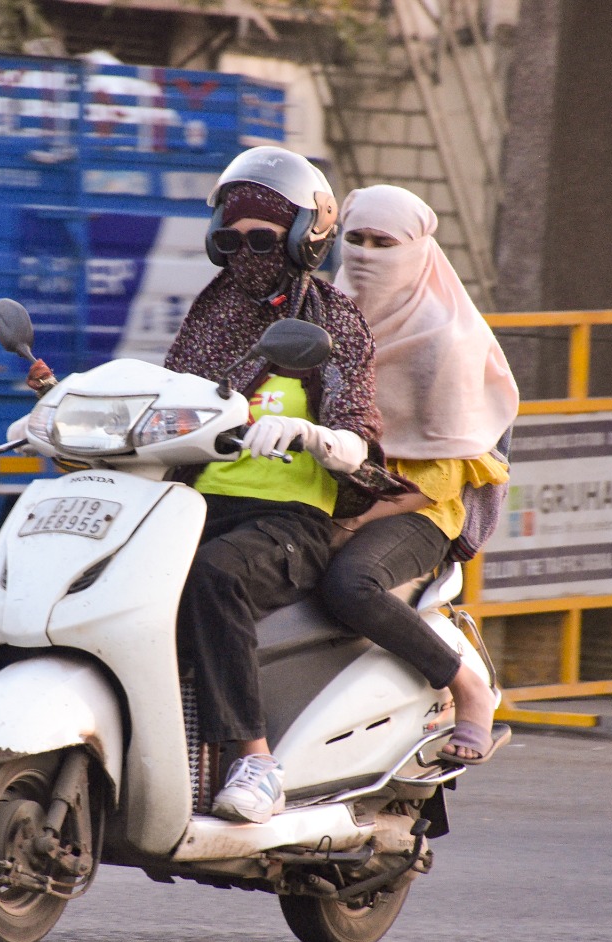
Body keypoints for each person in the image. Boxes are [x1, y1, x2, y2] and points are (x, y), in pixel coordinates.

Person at [30, 147, 384, 823]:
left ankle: (255, 759)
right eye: (230, 240)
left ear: (304, 235)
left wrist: (313, 437)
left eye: (261, 238)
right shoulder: (214, 310)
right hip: (193, 503)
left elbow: (358, 429)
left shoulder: (333, 320)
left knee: (217, 577)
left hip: (289, 518)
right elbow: (168, 400)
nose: (245, 253)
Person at [323, 184, 520, 765]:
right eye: (353, 239)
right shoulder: (325, 312)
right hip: (328, 491)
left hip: (419, 506)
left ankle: (468, 689)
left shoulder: (444, 338)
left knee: (349, 585)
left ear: (416, 248)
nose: (363, 254)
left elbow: (438, 478)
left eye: (383, 242)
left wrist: (361, 517)